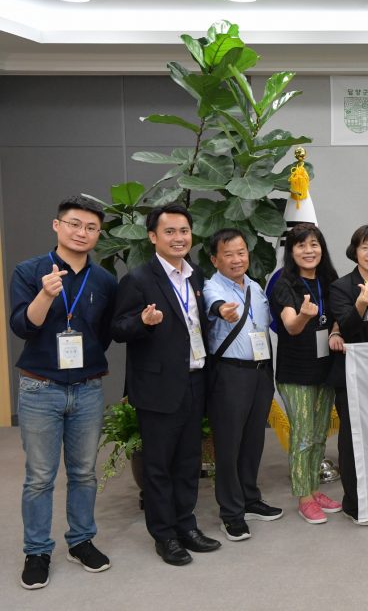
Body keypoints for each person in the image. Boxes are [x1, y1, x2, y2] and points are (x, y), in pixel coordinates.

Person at [9, 196, 117, 589]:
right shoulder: (30, 271)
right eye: (74, 224)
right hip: (40, 387)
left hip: (87, 388)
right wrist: (46, 295)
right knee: (40, 476)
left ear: (98, 234)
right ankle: (37, 551)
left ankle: (81, 540)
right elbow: (22, 327)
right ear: (57, 226)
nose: (81, 233)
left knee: (84, 473)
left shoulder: (104, 280)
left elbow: (103, 334)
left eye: (91, 228)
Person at [111, 204, 222, 566]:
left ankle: (186, 525)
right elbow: (118, 329)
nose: (179, 238)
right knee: (158, 466)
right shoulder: (138, 280)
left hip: (195, 380)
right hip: (158, 388)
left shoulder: (196, 276)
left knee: (189, 461)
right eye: (170, 231)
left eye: (184, 231)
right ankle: (165, 535)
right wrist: (142, 322)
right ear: (153, 237)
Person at [202, 228, 283, 543]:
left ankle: (250, 498)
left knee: (253, 440)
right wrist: (222, 310)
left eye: (241, 253)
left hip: (260, 372)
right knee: (229, 445)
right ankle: (231, 513)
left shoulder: (256, 287)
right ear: (215, 259)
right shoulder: (211, 287)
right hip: (230, 374)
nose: (237, 259)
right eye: (228, 254)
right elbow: (215, 305)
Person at [270, 223, 343, 525]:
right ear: (291, 251)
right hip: (296, 373)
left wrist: (335, 329)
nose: (308, 250)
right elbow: (290, 326)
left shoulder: (330, 280)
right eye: (301, 245)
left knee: (318, 435)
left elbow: (338, 316)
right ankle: (303, 498)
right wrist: (303, 315)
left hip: (326, 370)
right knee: (302, 436)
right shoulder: (284, 282)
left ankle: (314, 488)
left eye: (314, 244)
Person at [328, 223, 368, 526]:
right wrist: (360, 305)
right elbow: (345, 327)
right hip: (354, 376)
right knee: (352, 440)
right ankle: (353, 503)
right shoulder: (342, 286)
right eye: (365, 247)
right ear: (354, 251)